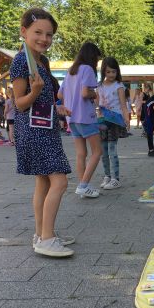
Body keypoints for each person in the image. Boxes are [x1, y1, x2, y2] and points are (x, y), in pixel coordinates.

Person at [10, 8, 74, 257]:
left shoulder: (41, 61)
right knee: (60, 181)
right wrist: (35, 92)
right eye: (38, 32)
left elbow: (41, 100)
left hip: (45, 128)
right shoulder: (20, 61)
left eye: (49, 34)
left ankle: (42, 233)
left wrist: (58, 108)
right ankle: (46, 239)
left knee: (44, 182)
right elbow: (20, 103)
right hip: (34, 131)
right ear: (24, 31)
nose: (44, 39)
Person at [58, 42, 102, 199]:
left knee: (81, 153)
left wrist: (72, 97)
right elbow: (85, 93)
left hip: (71, 117)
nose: (97, 63)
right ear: (92, 57)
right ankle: (83, 185)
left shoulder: (71, 71)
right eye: (97, 59)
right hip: (85, 116)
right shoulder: (88, 69)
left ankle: (84, 184)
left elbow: (60, 95)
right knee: (97, 151)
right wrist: (94, 95)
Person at [97, 56, 131, 190]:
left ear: (117, 72)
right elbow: (97, 104)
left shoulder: (119, 86)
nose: (111, 74)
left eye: (114, 72)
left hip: (115, 121)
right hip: (102, 120)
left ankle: (116, 178)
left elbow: (123, 105)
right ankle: (107, 176)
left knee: (112, 150)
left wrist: (127, 119)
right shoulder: (99, 86)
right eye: (108, 72)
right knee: (103, 152)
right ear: (103, 72)